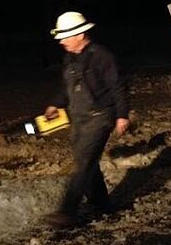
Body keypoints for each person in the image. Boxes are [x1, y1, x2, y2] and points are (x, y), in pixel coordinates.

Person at [43, 11, 130, 227]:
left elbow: (118, 87)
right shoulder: (69, 58)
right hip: (79, 117)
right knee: (88, 161)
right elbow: (67, 88)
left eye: (65, 36)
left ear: (80, 35)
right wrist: (55, 104)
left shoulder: (102, 57)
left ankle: (67, 211)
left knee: (84, 163)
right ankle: (101, 203)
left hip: (101, 116)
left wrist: (122, 115)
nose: (61, 41)